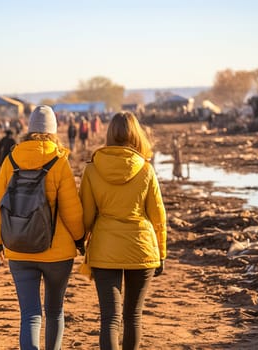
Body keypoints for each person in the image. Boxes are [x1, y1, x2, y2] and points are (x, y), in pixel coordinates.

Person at [0, 105, 85, 350]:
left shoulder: (11, 159)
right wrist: (79, 239)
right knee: (54, 311)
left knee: (30, 314)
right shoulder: (59, 161)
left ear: (29, 130)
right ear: (53, 131)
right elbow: (71, 209)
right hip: (57, 253)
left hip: (19, 249)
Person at [79, 112, 167, 350]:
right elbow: (158, 216)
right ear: (136, 134)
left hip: (105, 250)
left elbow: (86, 216)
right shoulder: (146, 169)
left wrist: (82, 240)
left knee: (110, 318)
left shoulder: (92, 169)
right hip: (141, 247)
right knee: (133, 316)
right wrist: (162, 253)